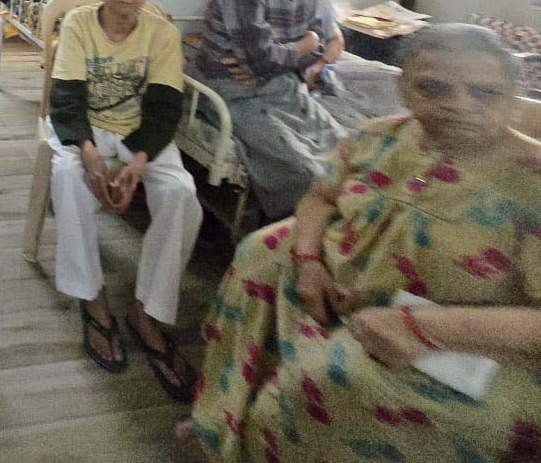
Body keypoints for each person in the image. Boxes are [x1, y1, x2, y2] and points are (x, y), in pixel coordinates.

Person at [183, 24, 541, 463]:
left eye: (484, 93)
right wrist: (308, 262)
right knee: (260, 253)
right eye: (432, 88)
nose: (458, 105)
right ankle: (224, 418)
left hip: (466, 340)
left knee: (332, 376)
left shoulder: (532, 179)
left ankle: (271, 435)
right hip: (339, 291)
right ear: (402, 87)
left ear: (513, 96)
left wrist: (420, 328)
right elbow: (321, 195)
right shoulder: (379, 136)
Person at [48, 0, 203, 401]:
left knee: (181, 195)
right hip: (87, 130)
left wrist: (138, 159)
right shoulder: (78, 24)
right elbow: (66, 98)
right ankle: (91, 296)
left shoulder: (161, 34)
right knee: (67, 178)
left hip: (141, 135)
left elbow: (165, 106)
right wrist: (88, 150)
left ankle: (147, 311)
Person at [193, 0, 346, 219]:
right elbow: (262, 58)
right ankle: (295, 233)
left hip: (283, 88)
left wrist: (297, 51)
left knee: (347, 154)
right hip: (234, 93)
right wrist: (304, 43)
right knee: (305, 170)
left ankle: (348, 233)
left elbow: (311, 46)